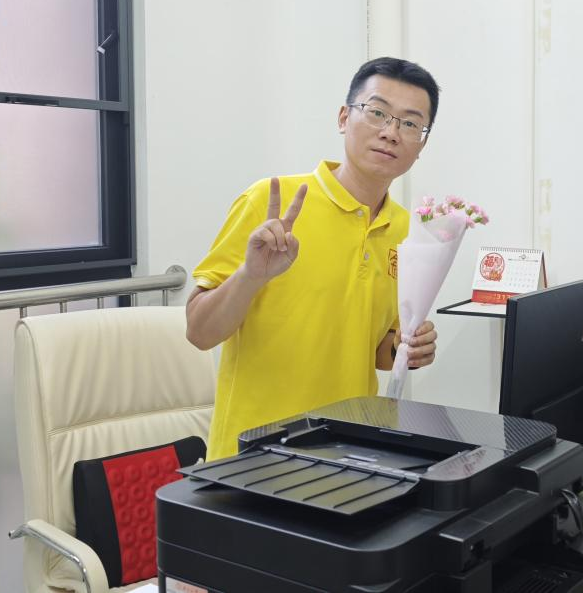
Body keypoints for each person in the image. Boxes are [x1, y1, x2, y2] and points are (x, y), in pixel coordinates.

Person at [186, 57, 442, 460]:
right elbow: (199, 332)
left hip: (350, 452)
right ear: (344, 118)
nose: (391, 133)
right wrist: (251, 275)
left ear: (421, 144)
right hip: (254, 459)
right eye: (377, 112)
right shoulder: (270, 203)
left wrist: (406, 349)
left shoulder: (407, 232)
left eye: (410, 124)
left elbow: (378, 350)